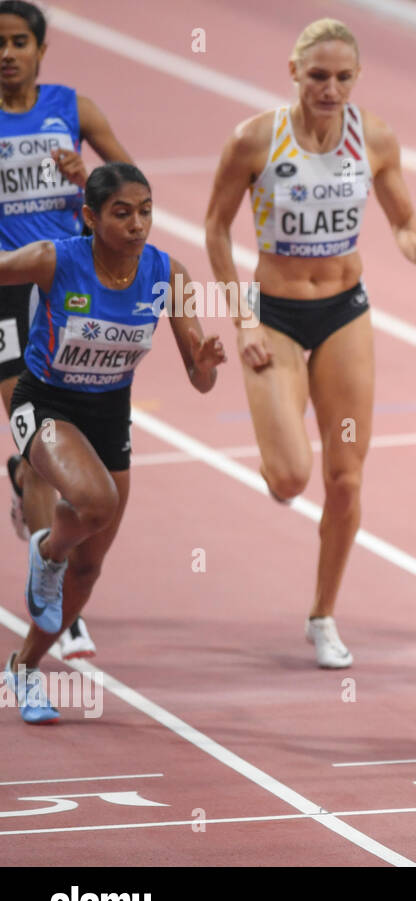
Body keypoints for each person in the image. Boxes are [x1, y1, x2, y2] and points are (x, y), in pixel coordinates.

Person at [204, 18, 416, 669]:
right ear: (293, 71)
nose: (330, 88)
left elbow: (402, 220)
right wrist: (243, 320)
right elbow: (214, 229)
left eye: (343, 77)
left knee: (345, 479)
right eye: (318, 76)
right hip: (276, 315)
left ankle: (322, 615)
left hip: (344, 312)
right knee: (290, 477)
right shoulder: (254, 140)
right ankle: (275, 455)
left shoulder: (373, 137)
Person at [1, 162, 225, 724]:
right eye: (122, 213)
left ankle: (24, 669)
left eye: (145, 211)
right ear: (90, 217)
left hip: (108, 417)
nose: (137, 224)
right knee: (96, 504)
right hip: (45, 405)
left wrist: (203, 365)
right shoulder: (55, 259)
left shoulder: (167, 274)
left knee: (89, 569)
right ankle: (47, 547)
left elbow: (201, 382)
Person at [0, 0, 133, 660]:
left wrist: (89, 179)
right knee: (36, 442)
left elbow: (129, 188)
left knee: (59, 451)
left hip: (70, 290)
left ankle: (48, 566)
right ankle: (52, 598)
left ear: (41, 49)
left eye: (19, 41)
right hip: (6, 289)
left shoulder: (72, 108)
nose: (7, 53)